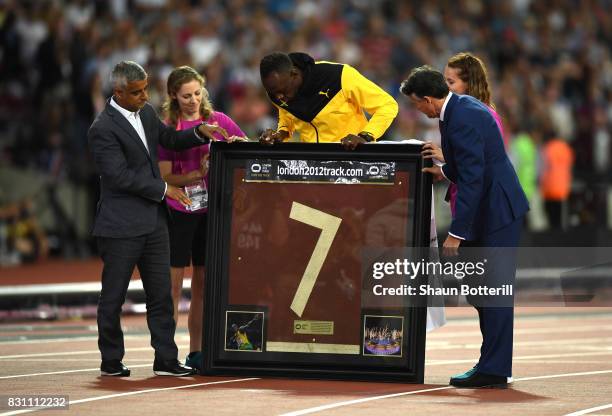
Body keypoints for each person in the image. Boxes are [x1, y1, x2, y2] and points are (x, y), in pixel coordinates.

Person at [88, 61, 227, 377]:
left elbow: (170, 139)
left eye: (145, 90)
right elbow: (119, 177)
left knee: (162, 296)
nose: (144, 96)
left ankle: (165, 358)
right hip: (120, 225)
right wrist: (165, 189)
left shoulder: (147, 113)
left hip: (153, 223)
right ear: (118, 91)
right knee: (113, 297)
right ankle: (111, 359)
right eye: (136, 92)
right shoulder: (102, 129)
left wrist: (198, 132)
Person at [400, 66, 529, 388]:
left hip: (497, 213)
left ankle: (495, 369)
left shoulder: (462, 116)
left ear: (429, 99)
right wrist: (446, 170)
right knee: (479, 289)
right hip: (489, 210)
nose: (418, 110)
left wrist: (457, 234)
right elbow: (473, 166)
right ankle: (491, 363)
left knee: (492, 292)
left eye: (417, 104)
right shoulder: (458, 109)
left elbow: (475, 180)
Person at [158, 66, 247, 373]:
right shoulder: (169, 126)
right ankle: (166, 353)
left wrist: (232, 151)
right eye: (186, 96)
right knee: (172, 286)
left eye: (197, 93)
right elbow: (165, 175)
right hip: (179, 209)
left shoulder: (218, 120)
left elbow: (246, 148)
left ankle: (196, 351)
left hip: (210, 212)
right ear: (173, 95)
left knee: (204, 284)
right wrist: (197, 173)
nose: (193, 100)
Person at [421, 52, 505, 217]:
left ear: (470, 84)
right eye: (443, 81)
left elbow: (483, 164)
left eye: (451, 82)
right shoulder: (457, 114)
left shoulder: (483, 116)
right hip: (465, 200)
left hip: (480, 206)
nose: (444, 87)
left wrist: (445, 158)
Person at [257, 52, 398, 150]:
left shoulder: (339, 76)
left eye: (282, 91)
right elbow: (287, 115)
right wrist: (281, 133)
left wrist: (366, 136)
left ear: (294, 74)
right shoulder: (277, 91)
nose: (279, 97)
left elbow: (387, 105)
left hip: (353, 158)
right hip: (312, 166)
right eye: (273, 93)